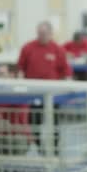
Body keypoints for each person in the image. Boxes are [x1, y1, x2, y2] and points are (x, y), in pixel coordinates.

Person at [17, 21, 72, 155]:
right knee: (34, 122)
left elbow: (66, 72)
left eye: (44, 33)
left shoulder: (58, 50)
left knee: (54, 123)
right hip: (34, 93)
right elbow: (20, 69)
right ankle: (39, 147)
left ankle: (55, 150)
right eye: (39, 33)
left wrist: (68, 89)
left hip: (53, 95)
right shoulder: (28, 48)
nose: (41, 36)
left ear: (51, 33)